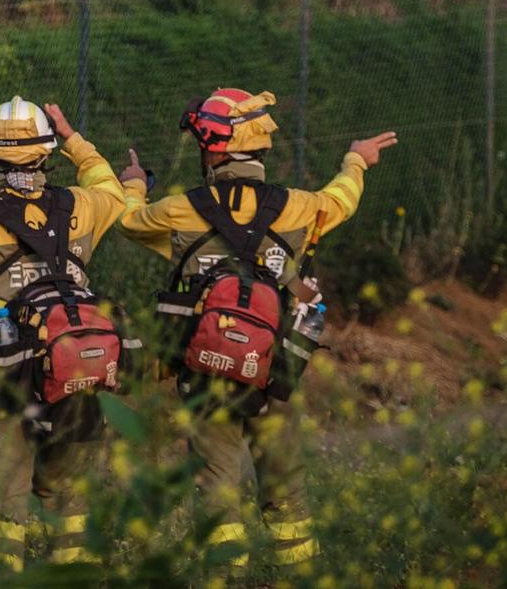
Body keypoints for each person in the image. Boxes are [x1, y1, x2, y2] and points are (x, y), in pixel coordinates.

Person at [119, 86, 397, 570]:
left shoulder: (179, 210)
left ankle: (226, 572)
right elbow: (342, 200)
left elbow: (129, 222)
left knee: (215, 481)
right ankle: (298, 571)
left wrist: (134, 184)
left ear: (213, 151)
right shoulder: (300, 207)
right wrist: (356, 160)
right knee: (285, 483)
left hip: (205, 370)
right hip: (272, 366)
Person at [0, 96, 148, 570]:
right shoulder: (81, 206)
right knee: (70, 502)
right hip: (74, 372)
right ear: (46, 152)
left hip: (3, 379)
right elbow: (114, 192)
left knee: (4, 505)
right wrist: (76, 142)